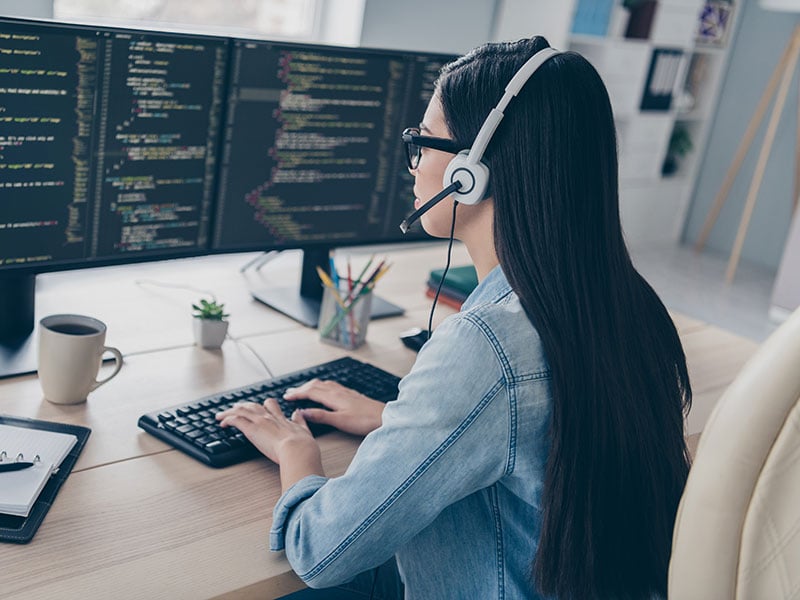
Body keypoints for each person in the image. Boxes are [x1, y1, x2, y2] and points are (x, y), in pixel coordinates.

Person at [217, 36, 691, 600]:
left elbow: (321, 549)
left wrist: (298, 452)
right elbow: (537, 436)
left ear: (472, 170)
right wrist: (408, 422)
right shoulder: (626, 303)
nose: (413, 163)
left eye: (421, 141)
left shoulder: (489, 345)